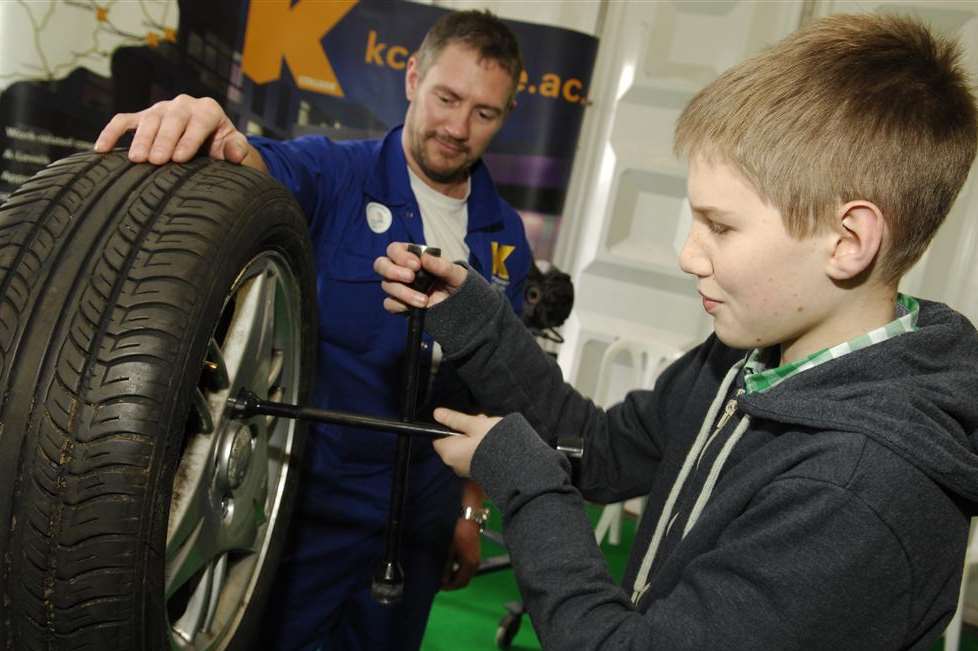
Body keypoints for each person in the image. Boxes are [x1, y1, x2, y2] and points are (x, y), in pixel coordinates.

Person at [375, 13, 978, 650]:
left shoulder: (857, 492)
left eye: (721, 227)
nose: (689, 255)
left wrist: (528, 486)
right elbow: (602, 450)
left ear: (849, 241)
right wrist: (476, 318)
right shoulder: (748, 355)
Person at [94, 10, 531, 651]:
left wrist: (469, 509)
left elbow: (487, 389)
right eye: (447, 98)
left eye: (485, 113)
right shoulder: (335, 174)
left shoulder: (507, 238)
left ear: (506, 114)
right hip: (308, 509)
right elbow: (251, 168)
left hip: (419, 523)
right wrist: (212, 130)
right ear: (413, 78)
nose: (458, 128)